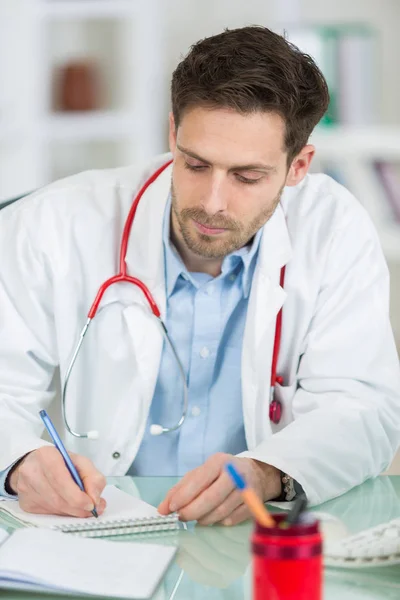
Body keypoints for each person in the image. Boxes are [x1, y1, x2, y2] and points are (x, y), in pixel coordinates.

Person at [0, 26, 399, 526]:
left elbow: (362, 407)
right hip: (96, 532)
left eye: (246, 177)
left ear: (298, 165)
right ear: (172, 134)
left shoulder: (335, 230)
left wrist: (270, 471)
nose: (212, 202)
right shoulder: (53, 223)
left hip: (257, 531)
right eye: (194, 164)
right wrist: (18, 460)